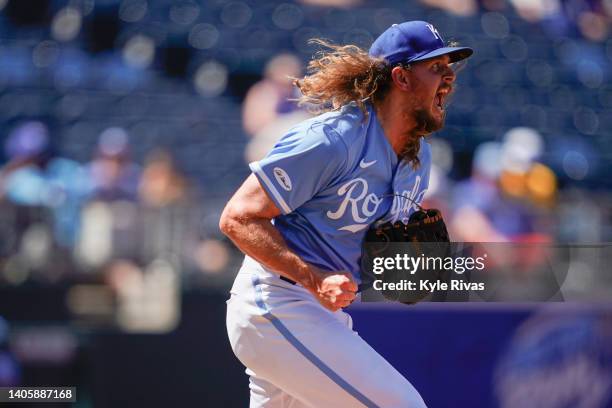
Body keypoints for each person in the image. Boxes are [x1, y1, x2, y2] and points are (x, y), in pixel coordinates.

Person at [220, 21, 472, 407]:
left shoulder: (419, 158)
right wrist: (313, 278)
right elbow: (238, 218)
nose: (449, 77)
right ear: (401, 77)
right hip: (276, 302)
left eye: (449, 66)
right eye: (436, 67)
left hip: (317, 316)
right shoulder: (333, 138)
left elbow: (365, 250)